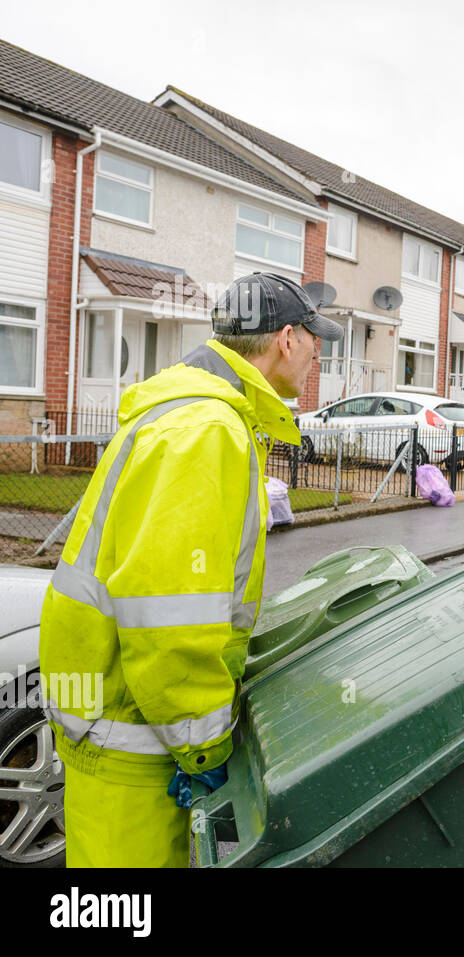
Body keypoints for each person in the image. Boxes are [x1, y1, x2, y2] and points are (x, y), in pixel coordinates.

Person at [39, 272, 341, 867]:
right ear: (286, 338)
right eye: (314, 339)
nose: (317, 355)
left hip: (122, 713)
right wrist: (202, 748)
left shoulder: (199, 415)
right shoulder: (206, 430)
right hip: (132, 731)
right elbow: (168, 617)